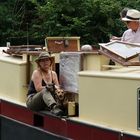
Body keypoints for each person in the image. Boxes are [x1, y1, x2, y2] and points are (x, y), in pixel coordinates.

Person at [26, 52, 63, 116]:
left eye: (47, 60)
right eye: (42, 61)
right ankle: (54, 107)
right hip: (32, 101)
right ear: (39, 63)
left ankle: (60, 106)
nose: (45, 62)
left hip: (45, 102)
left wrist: (56, 88)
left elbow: (58, 88)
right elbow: (38, 89)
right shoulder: (36, 72)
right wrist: (50, 87)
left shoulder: (53, 74)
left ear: (50, 62)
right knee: (45, 90)